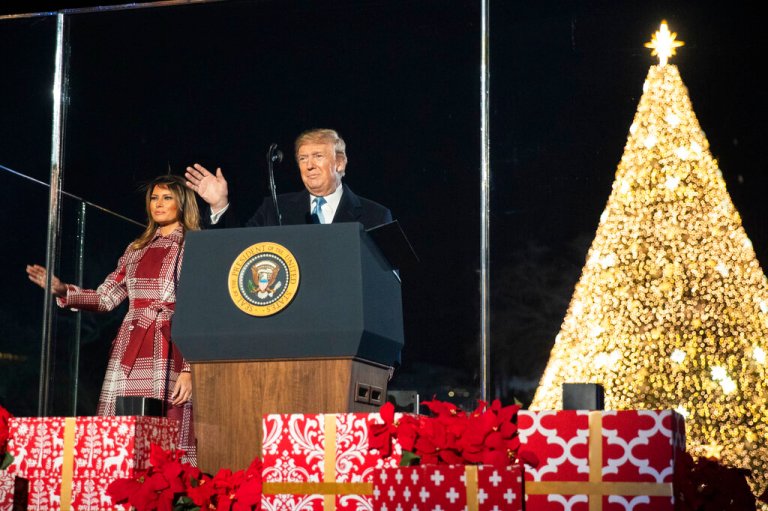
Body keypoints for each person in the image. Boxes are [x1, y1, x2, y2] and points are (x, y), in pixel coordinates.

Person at [26, 175, 199, 465]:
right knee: (122, 427)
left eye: (167, 197)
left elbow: (196, 308)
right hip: (131, 345)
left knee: (168, 426)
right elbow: (106, 298)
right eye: (154, 198)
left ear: (182, 202)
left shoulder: (192, 245)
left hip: (170, 346)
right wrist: (62, 290)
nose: (158, 204)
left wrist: (190, 368)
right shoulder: (136, 249)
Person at [184, 128, 392, 230]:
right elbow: (238, 248)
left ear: (340, 163)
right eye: (303, 158)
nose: (309, 165)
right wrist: (220, 205)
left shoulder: (375, 215)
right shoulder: (275, 208)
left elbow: (384, 278)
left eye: (318, 156)